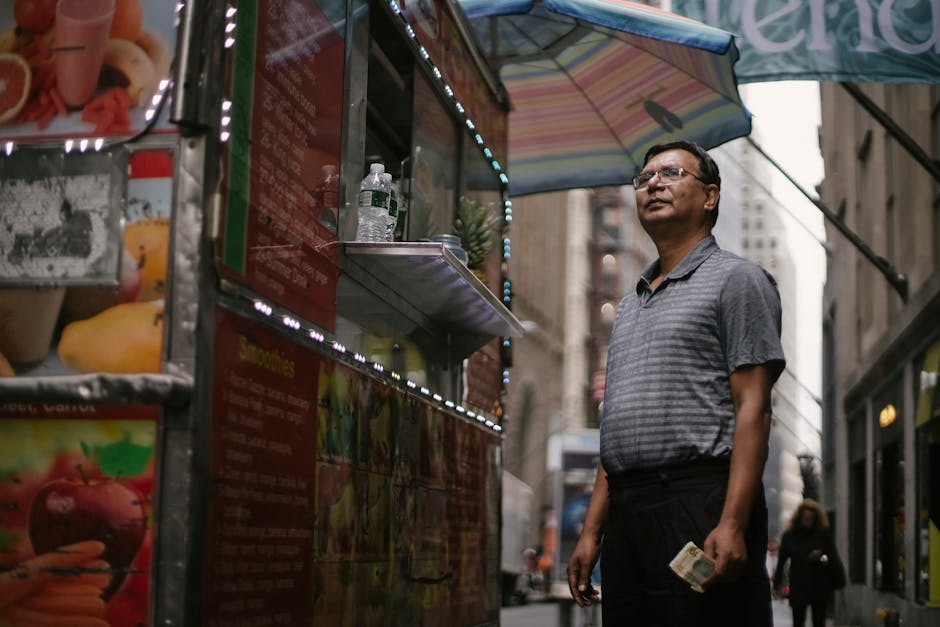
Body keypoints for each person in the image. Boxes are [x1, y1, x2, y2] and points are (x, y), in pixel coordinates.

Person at [566, 140, 785, 626]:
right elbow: (617, 428)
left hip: (698, 501)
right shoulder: (629, 307)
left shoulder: (739, 281)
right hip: (629, 511)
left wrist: (732, 523)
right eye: (644, 179)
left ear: (710, 197)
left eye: (670, 174)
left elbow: (754, 409)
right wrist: (591, 532)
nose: (653, 185)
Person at [773, 499, 845, 627]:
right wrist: (777, 583)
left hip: (819, 582)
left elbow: (832, 556)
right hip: (798, 583)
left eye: (811, 519)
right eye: (805, 518)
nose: (808, 522)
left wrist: (821, 557)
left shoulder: (822, 534)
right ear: (799, 518)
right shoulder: (790, 535)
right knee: (798, 620)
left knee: (819, 620)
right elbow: (782, 560)